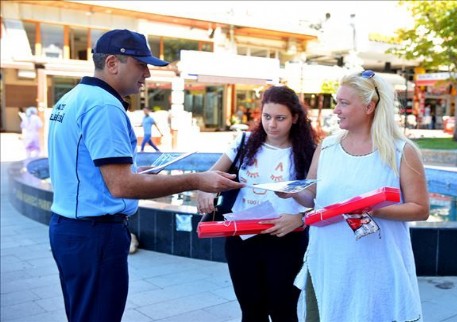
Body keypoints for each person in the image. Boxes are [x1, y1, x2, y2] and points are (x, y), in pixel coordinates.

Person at [47, 29, 243, 322]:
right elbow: (121, 185)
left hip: (71, 229)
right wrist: (195, 179)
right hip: (95, 234)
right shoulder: (103, 106)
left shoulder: (73, 97)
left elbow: (88, 171)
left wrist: (141, 175)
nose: (147, 74)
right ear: (112, 63)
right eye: (141, 64)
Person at [280, 70, 429, 321]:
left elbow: (420, 209)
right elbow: (312, 196)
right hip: (327, 263)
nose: (336, 110)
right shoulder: (326, 147)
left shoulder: (401, 151)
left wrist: (375, 210)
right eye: (336, 102)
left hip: (375, 269)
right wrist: (292, 193)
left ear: (369, 106)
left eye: (344, 103)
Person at [197, 85, 317, 322]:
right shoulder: (244, 142)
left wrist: (296, 205)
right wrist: (204, 190)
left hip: (286, 237)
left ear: (295, 118)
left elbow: (317, 199)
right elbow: (209, 177)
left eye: (280, 118)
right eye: (267, 117)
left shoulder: (309, 151)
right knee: (251, 310)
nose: (272, 124)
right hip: (242, 237)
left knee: (283, 309)